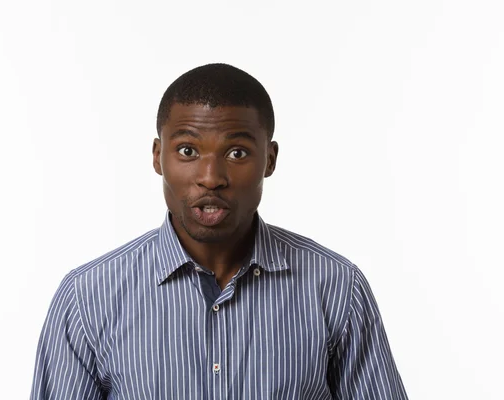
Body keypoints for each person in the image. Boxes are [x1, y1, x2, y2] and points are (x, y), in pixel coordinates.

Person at [30, 63, 408, 399]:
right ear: (157, 156)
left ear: (270, 159)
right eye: (188, 151)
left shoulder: (336, 287)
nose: (211, 178)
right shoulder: (87, 298)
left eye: (237, 153)